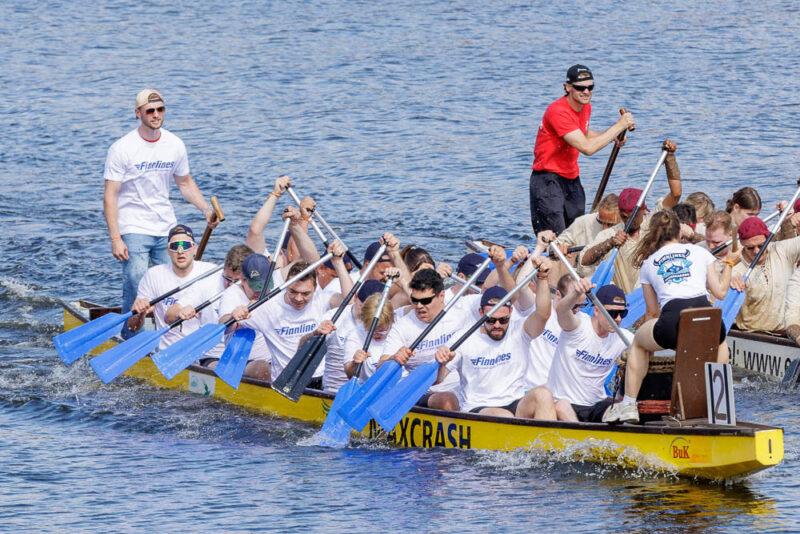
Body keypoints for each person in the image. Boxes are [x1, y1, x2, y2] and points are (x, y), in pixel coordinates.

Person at [603, 210, 740, 423]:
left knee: (638, 342)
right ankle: (719, 404)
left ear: (654, 235)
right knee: (720, 342)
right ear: (679, 232)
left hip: (672, 321)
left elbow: (652, 313)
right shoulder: (700, 252)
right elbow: (720, 292)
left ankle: (629, 405)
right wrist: (730, 263)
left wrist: (650, 349)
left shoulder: (649, 264)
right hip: (707, 318)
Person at [104, 89, 218, 338]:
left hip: (166, 227)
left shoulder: (175, 144)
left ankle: (170, 335)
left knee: (175, 286)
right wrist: (115, 238)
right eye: (150, 111)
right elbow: (110, 195)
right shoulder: (122, 148)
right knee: (136, 284)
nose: (156, 115)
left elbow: (185, 183)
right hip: (133, 227)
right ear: (138, 113)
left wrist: (206, 209)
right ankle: (129, 337)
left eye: (160, 109)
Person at [529, 64, 635, 233]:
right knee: (555, 237)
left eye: (590, 87)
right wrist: (618, 126)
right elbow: (587, 148)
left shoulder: (585, 107)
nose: (586, 92)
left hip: (572, 179)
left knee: (576, 233)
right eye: (580, 87)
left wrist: (610, 137)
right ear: (568, 87)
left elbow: (583, 134)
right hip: (547, 181)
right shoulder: (557, 111)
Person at [230, 240, 351, 383]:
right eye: (293, 291)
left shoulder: (322, 299)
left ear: (315, 288)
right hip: (285, 381)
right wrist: (235, 315)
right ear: (286, 285)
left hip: (320, 379)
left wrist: (337, 262)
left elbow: (350, 301)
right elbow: (228, 327)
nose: (299, 298)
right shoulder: (268, 307)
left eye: (306, 293)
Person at [433, 284, 557, 419]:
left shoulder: (521, 331)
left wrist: (542, 279)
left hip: (515, 402)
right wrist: (442, 363)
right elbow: (437, 380)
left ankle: (549, 440)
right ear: (481, 313)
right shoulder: (462, 338)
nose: (497, 325)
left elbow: (543, 314)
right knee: (504, 416)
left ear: (511, 311)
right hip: (478, 406)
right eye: (491, 320)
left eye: (503, 320)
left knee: (543, 395)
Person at [126, 225, 221, 359]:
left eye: (186, 245)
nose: (180, 251)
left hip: (208, 353)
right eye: (175, 246)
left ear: (195, 248)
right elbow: (132, 328)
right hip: (171, 354)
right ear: (168, 251)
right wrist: (139, 314)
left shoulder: (213, 272)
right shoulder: (154, 275)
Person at [547, 283, 632, 422]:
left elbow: (650, 347)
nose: (618, 319)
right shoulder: (578, 326)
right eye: (612, 313)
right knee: (562, 406)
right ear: (597, 310)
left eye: (622, 313)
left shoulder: (623, 337)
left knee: (621, 411)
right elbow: (561, 310)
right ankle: (581, 439)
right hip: (563, 403)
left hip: (596, 404)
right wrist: (576, 292)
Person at [730, 217, 800, 334]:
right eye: (750, 248)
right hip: (753, 334)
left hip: (787, 331)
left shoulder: (782, 249)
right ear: (742, 244)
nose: (756, 251)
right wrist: (728, 280)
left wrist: (793, 217)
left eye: (761, 245)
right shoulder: (735, 266)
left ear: (768, 239)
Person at [214, 254, 274, 380]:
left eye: (265, 286)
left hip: (274, 359)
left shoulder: (278, 289)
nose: (261, 292)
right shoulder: (231, 294)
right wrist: (233, 317)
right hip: (242, 363)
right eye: (257, 287)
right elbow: (223, 326)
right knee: (262, 369)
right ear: (243, 280)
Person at [344, 291, 397, 383]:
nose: (376, 335)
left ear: (391, 321)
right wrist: (354, 363)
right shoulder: (355, 334)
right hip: (367, 386)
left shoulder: (400, 326)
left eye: (381, 331)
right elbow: (349, 373)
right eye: (371, 330)